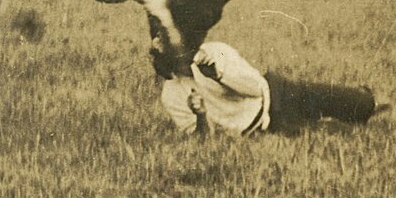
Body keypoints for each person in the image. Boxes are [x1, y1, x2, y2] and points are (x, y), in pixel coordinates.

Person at [151, 41, 383, 136]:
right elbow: (202, 141)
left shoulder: (213, 52)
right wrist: (200, 115)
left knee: (361, 103)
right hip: (263, 128)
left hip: (278, 93)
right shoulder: (171, 96)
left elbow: (255, 91)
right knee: (328, 131)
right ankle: (325, 122)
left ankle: (366, 100)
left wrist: (219, 76)